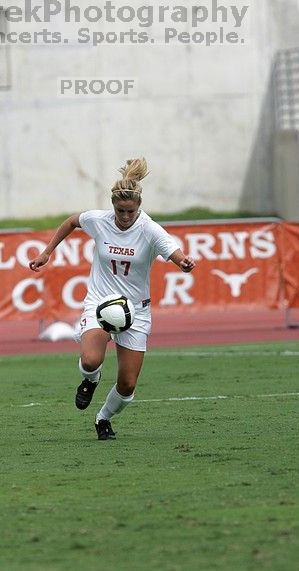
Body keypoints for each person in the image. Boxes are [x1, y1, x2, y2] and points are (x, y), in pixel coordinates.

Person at [29, 158, 195, 440]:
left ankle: (103, 417)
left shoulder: (149, 229)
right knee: (91, 360)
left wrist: (183, 262)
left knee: (128, 385)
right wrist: (47, 252)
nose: (125, 216)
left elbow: (173, 251)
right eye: (120, 210)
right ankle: (90, 380)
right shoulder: (99, 220)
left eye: (130, 211)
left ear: (139, 207)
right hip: (100, 303)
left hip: (136, 312)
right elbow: (72, 221)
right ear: (113, 206)